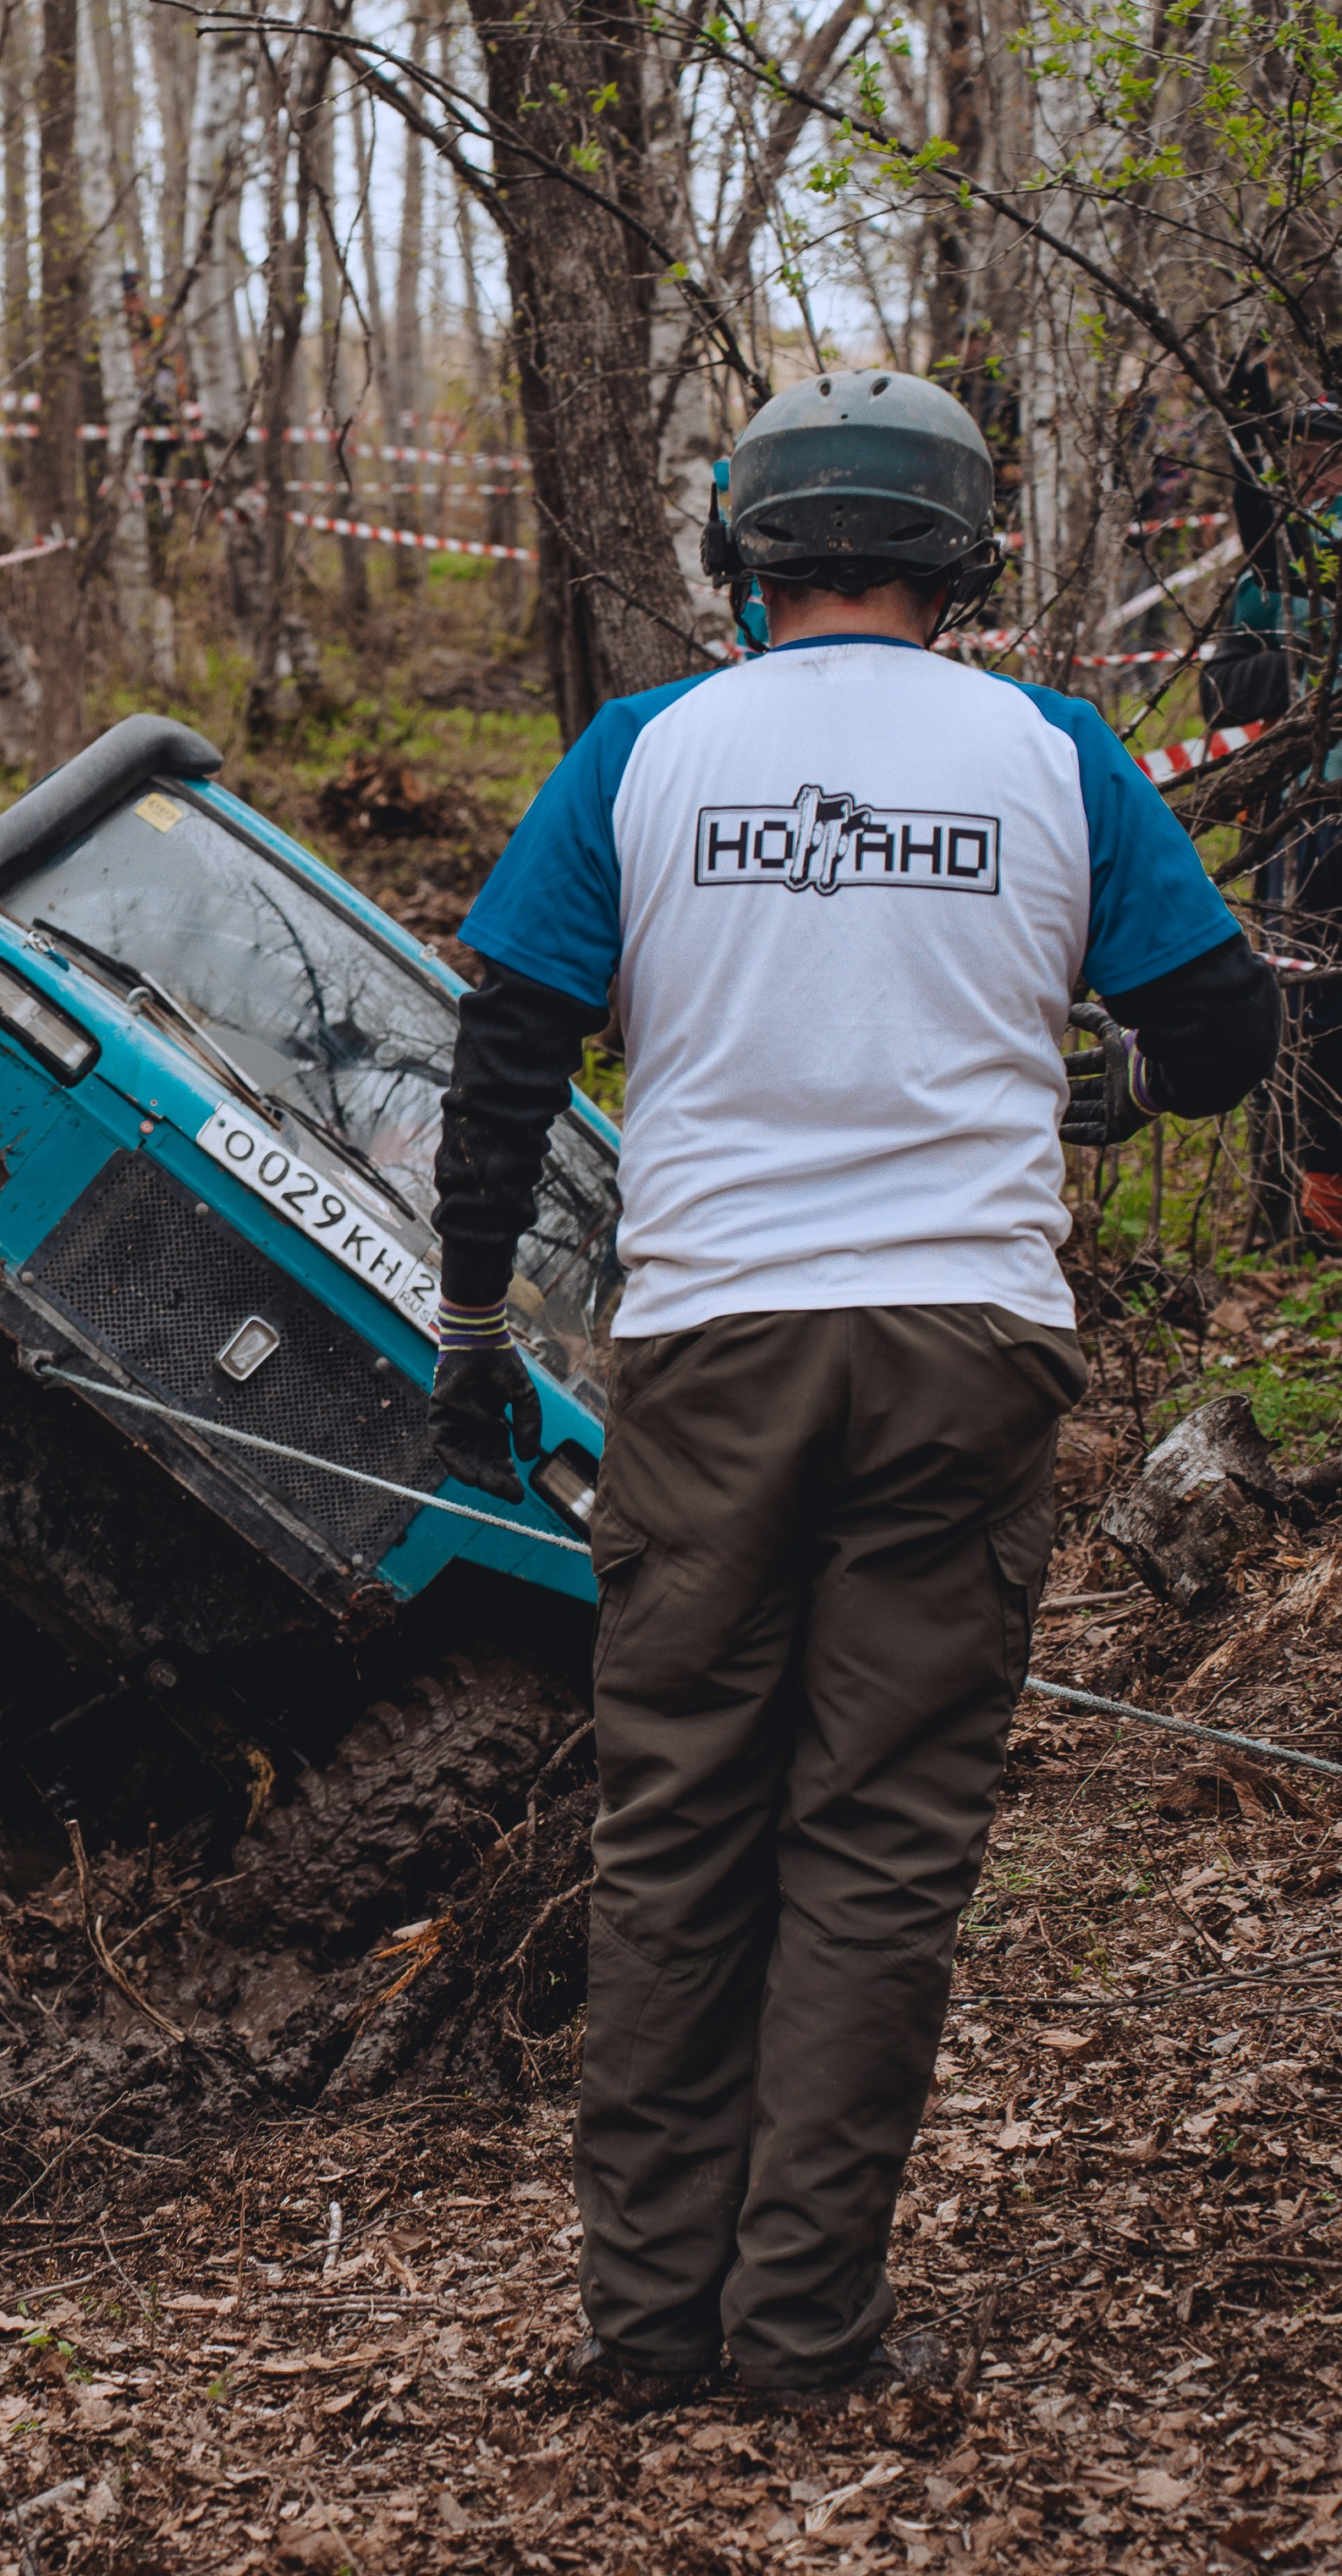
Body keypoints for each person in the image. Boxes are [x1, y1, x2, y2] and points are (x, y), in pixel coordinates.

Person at [426, 369, 1281, 2411]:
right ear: (955, 557)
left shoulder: (644, 750)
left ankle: (643, 2327)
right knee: (877, 1849)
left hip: (712, 1346)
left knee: (676, 1832)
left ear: (749, 550)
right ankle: (802, 2329)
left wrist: (470, 1332)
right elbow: (1231, 1027)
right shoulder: (1047, 750)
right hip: (961, 1347)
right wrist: (1113, 1084)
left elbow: (502, 1059)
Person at [1206, 354, 1342, 1241]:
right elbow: (1223, 689)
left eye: (1326, 449)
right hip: (1301, 807)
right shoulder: (1273, 558)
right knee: (1301, 1008)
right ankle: (1302, 1206)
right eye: (1298, 450)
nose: (1313, 466)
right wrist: (1291, 665)